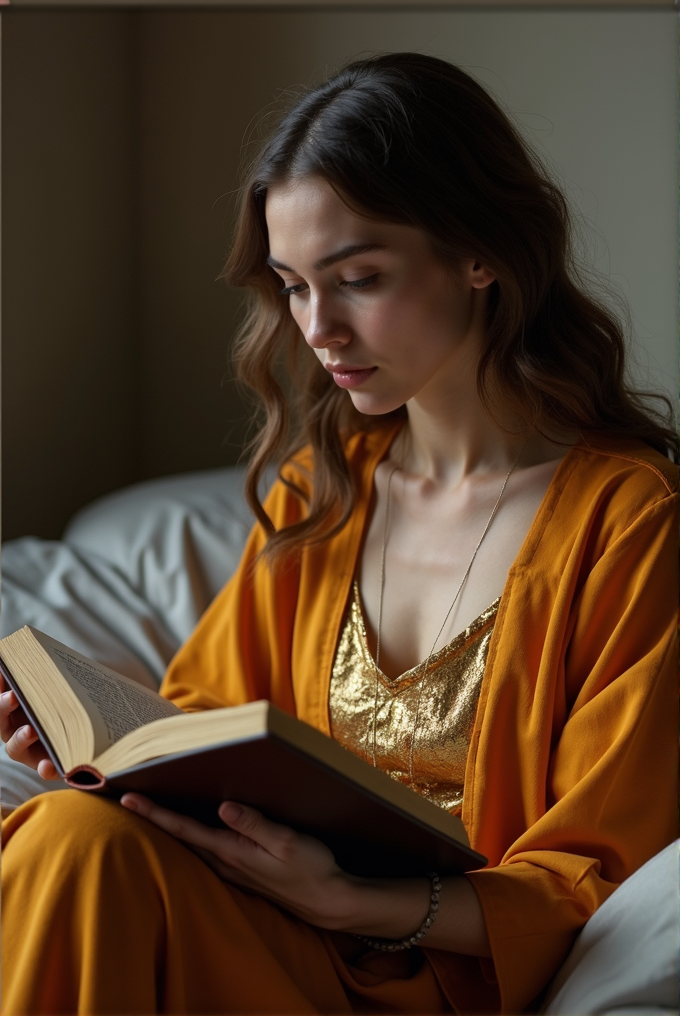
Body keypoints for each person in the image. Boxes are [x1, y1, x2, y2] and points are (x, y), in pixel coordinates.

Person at [1, 52, 677, 1016]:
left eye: (357, 278)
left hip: (436, 971)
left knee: (74, 855)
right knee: (77, 833)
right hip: (262, 928)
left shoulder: (630, 521)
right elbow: (205, 718)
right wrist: (102, 753)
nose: (318, 328)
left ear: (480, 252)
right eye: (292, 286)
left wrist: (358, 901)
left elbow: (604, 864)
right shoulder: (323, 492)